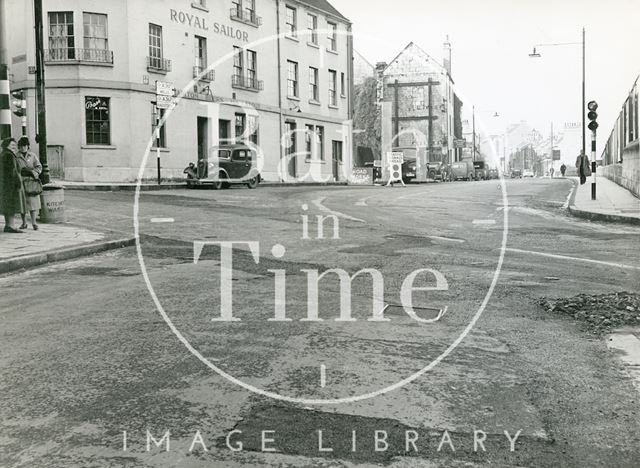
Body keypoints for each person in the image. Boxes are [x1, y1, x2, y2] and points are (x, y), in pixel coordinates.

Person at [15, 137, 42, 230]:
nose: (23, 148)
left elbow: (39, 167)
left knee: (32, 203)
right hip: (21, 181)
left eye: (25, 146)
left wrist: (35, 172)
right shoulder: (16, 156)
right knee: (23, 203)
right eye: (21, 146)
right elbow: (15, 169)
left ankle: (34, 223)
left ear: (28, 146)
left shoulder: (32, 156)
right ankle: (24, 223)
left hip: (31, 181)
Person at [0, 138, 26, 233]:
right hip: (10, 185)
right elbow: (13, 171)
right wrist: (18, 182)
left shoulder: (3, 154)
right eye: (12, 145)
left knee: (7, 205)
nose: (14, 147)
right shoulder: (9, 155)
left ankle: (9, 225)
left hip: (5, 184)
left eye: (15, 145)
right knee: (11, 204)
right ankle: (10, 226)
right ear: (6, 145)